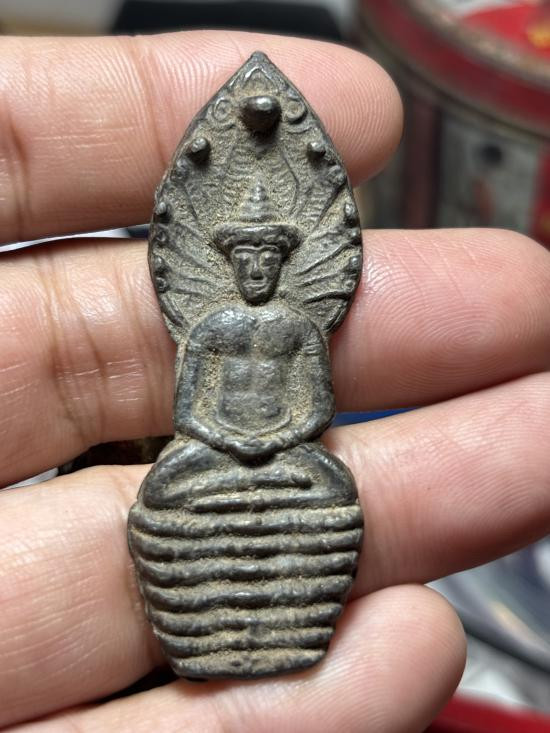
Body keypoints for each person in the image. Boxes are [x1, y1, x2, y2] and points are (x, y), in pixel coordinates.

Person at [0, 29, 549, 733]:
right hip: (215, 447)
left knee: (331, 489)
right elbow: (192, 407)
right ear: (228, 265)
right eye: (247, 263)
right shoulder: (211, 327)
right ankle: (201, 628)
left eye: (268, 263)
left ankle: (292, 625)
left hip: (287, 449)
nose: (257, 273)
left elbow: (313, 405)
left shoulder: (296, 328)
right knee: (165, 492)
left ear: (285, 265)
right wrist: (232, 441)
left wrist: (275, 440)